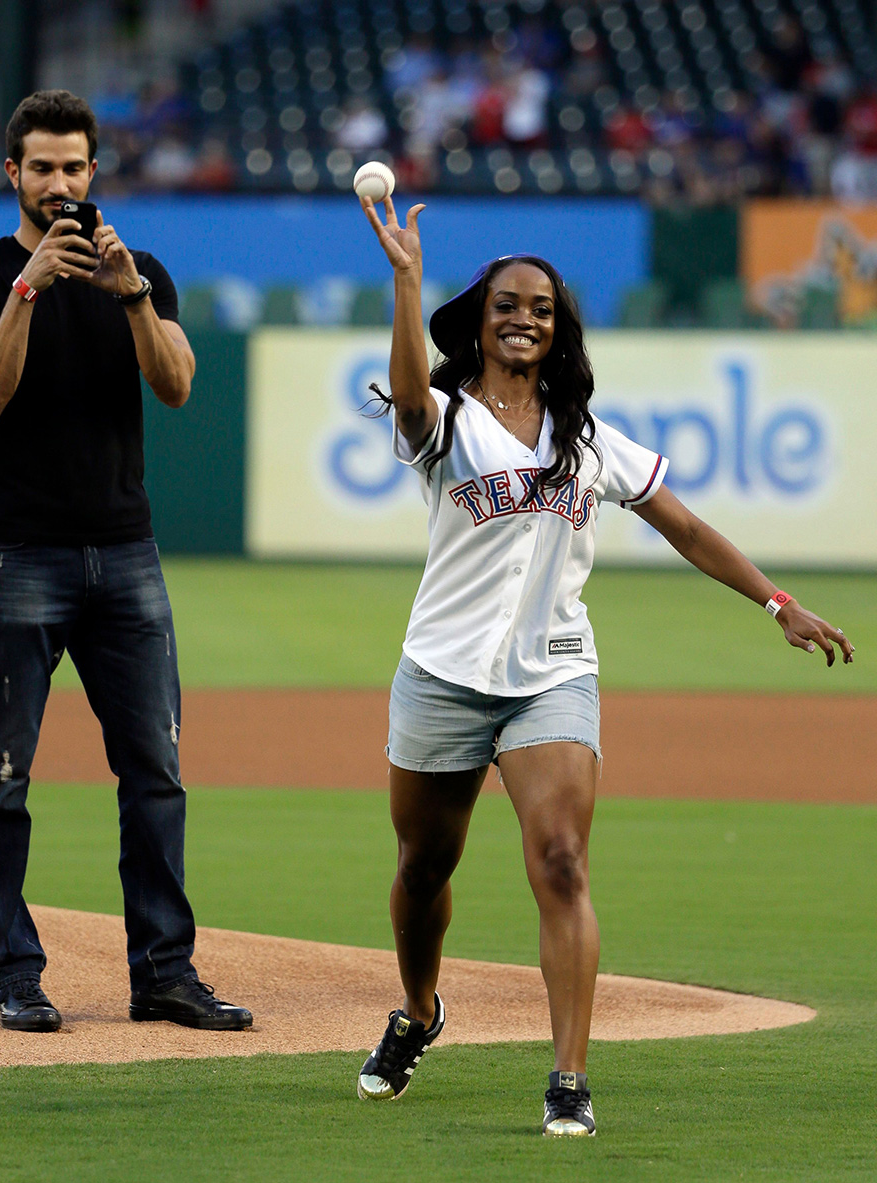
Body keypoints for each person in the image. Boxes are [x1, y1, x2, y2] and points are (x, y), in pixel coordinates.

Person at [355, 194, 854, 1135]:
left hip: (552, 674)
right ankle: (419, 1011)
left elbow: (689, 527)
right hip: (443, 673)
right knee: (424, 864)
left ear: (560, 328)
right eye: (508, 302)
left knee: (563, 860)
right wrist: (406, 281)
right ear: (481, 315)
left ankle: (569, 1080)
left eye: (542, 307)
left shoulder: (588, 439)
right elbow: (412, 393)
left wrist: (778, 603)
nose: (524, 317)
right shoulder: (447, 420)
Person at [0, 90, 252, 1035]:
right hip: (18, 554)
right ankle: (14, 974)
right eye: (44, 168)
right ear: (13, 176)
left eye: (76, 167)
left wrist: (134, 294)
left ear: (94, 171)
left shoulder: (138, 271)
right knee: (2, 772)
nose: (61, 184)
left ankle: (164, 972)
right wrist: (29, 284)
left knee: (155, 771)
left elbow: (181, 385)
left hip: (126, 554)